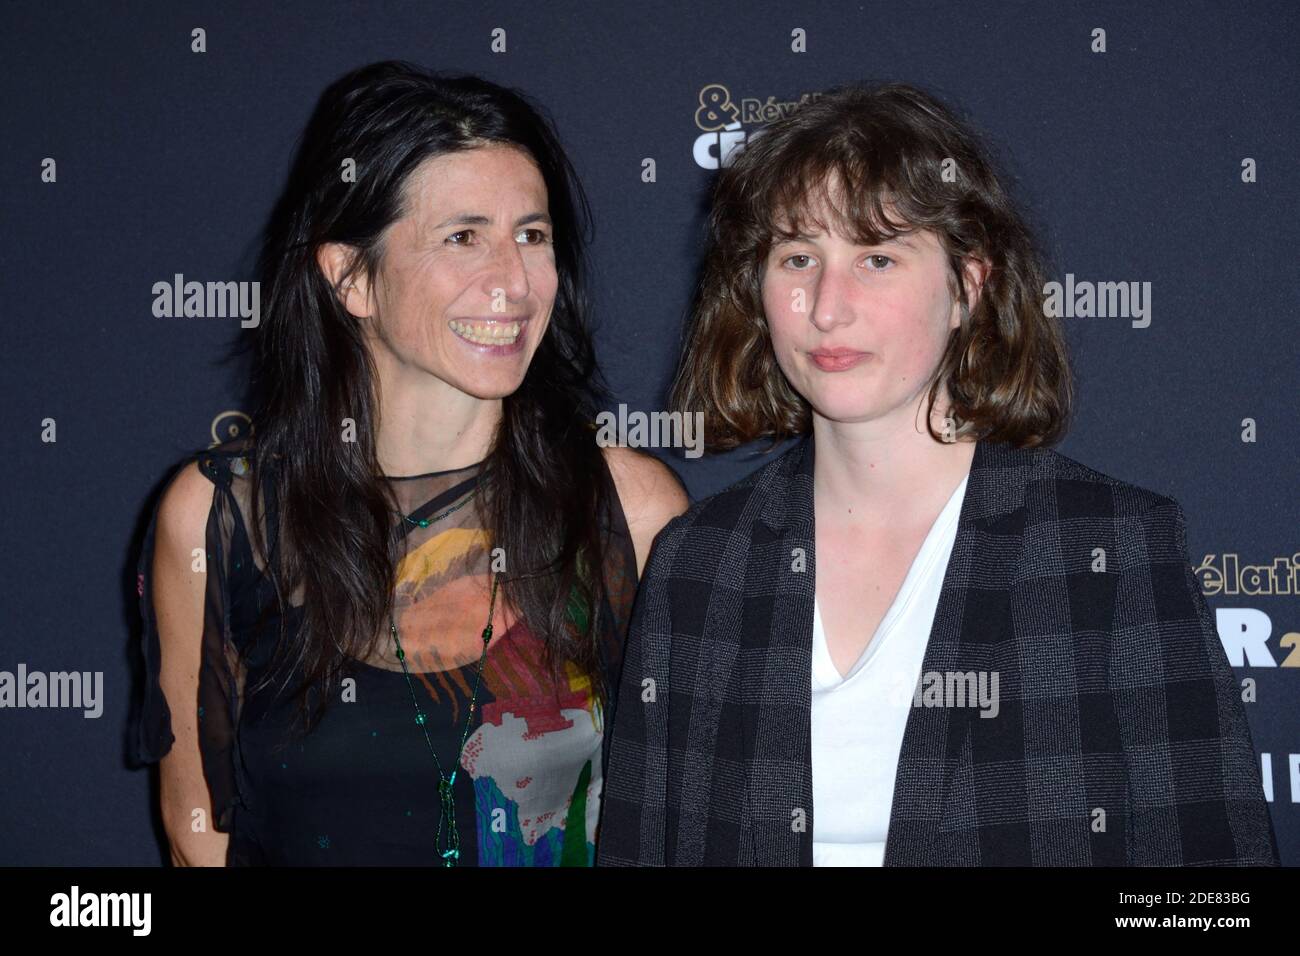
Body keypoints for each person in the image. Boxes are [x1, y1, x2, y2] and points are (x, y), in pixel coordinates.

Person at [597, 81, 1279, 866]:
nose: (827, 306)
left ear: (967, 288)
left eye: (878, 257)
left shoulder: (1112, 551)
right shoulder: (699, 563)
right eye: (797, 257)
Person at [134, 60, 687, 866]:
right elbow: (200, 841)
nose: (513, 282)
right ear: (351, 277)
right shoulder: (227, 518)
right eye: (463, 237)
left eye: (531, 235)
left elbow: (679, 824)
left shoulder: (628, 511)